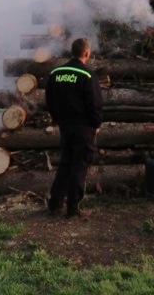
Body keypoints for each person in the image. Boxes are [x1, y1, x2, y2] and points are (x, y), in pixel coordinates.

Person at [45, 37, 103, 218]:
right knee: (80, 165)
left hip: (65, 126)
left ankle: (55, 204)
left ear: (72, 51)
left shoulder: (56, 73)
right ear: (87, 53)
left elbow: (49, 100)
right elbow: (94, 103)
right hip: (83, 127)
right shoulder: (87, 75)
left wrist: (58, 119)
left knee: (65, 163)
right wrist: (96, 124)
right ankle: (73, 208)